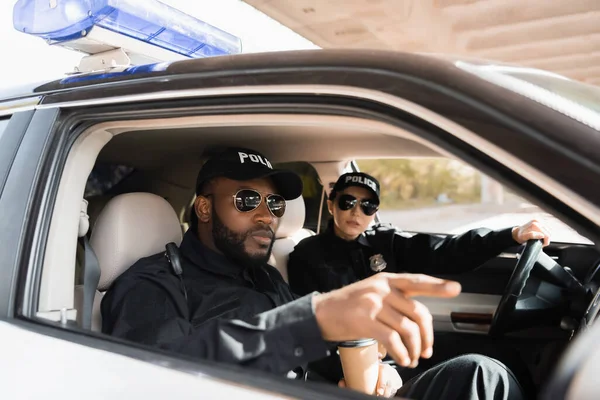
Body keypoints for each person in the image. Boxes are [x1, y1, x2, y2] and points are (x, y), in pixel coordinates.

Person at [101, 147, 525, 400]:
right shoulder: (154, 283)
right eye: (248, 200)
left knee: (480, 374)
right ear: (205, 207)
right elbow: (157, 379)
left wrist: (371, 370)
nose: (267, 215)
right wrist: (313, 321)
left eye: (276, 204)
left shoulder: (264, 277)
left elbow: (316, 357)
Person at [288, 172, 551, 297]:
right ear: (332, 205)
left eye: (368, 206)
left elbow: (448, 252)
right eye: (347, 202)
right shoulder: (307, 253)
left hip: (391, 346)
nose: (357, 212)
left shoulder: (387, 242)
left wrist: (512, 235)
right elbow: (309, 316)